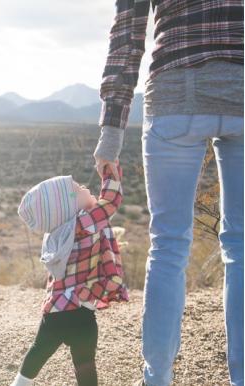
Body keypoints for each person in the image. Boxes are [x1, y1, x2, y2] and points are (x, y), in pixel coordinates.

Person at [93, 1, 244, 385]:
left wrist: (110, 135)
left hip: (176, 95)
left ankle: (156, 379)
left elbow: (127, 37)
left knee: (168, 247)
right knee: (242, 249)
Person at [11, 163, 128, 386]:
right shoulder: (83, 222)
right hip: (82, 312)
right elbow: (111, 201)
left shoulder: (56, 233)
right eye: (77, 187)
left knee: (39, 351)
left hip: (55, 311)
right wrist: (108, 170)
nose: (83, 186)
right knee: (84, 362)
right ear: (69, 205)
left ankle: (19, 384)